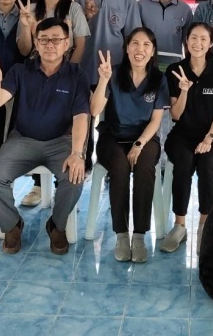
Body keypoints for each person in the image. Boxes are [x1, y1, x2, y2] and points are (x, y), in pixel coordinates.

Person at [0, 18, 89, 255]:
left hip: (61, 142)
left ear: (67, 43)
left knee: (74, 178)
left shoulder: (77, 75)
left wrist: (77, 153)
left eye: (56, 40)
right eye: (44, 39)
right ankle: (12, 225)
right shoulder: (20, 70)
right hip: (23, 140)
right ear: (36, 43)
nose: (50, 44)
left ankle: (57, 225)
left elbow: (82, 116)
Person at [91, 27, 168, 263]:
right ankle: (122, 235)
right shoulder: (113, 73)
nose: (139, 49)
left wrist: (139, 144)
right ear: (126, 48)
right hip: (112, 137)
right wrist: (103, 81)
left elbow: (156, 121)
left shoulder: (158, 79)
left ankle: (139, 236)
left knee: (145, 168)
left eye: (146, 45)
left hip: (144, 138)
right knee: (120, 168)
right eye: (135, 43)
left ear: (153, 51)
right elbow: (95, 110)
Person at [20, 0, 90, 207]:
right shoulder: (32, 9)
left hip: (66, 77)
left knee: (68, 128)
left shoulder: (73, 9)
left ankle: (67, 183)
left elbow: (80, 44)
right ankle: (38, 185)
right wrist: (26, 27)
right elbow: (24, 49)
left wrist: (69, 72)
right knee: (37, 127)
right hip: (36, 77)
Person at [159, 23, 213, 253]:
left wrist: (209, 138)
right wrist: (184, 91)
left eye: (203, 39)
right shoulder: (175, 70)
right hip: (183, 133)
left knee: (207, 164)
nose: (197, 43)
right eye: (193, 38)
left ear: (211, 43)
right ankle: (179, 225)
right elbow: (175, 115)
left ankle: (204, 225)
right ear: (186, 41)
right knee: (184, 162)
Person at [74, 0, 142, 89]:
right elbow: (74, 30)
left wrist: (130, 67)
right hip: (85, 63)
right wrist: (86, 15)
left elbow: (132, 36)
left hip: (114, 67)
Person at [32, 0, 90, 64]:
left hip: (66, 66)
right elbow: (24, 50)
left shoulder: (74, 8)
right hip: (35, 68)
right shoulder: (30, 9)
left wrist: (68, 70)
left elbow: (80, 46)